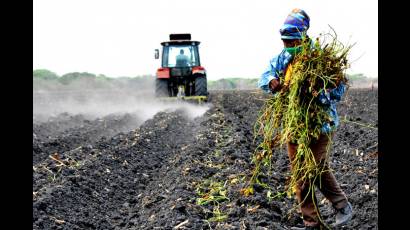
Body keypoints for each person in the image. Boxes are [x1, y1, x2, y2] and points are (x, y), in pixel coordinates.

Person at [258, 9, 353, 230]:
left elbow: (337, 91)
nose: (288, 47)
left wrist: (320, 89)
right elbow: (265, 76)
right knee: (300, 173)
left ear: (303, 37)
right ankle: (312, 223)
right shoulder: (283, 59)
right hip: (294, 122)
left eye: (292, 42)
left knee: (315, 166)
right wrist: (272, 81)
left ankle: (342, 205)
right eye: (285, 42)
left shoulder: (321, 59)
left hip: (320, 122)